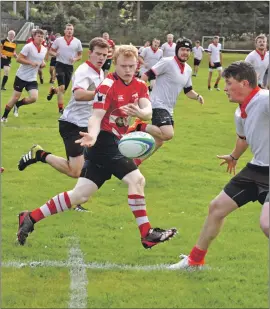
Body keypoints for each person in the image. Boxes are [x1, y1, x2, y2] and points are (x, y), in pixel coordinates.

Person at [16, 44, 177, 248]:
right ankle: (147, 233)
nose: (128, 70)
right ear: (116, 64)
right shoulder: (107, 85)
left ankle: (30, 217)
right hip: (103, 141)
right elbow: (96, 116)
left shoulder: (140, 85)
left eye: (131, 66)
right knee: (137, 180)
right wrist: (91, 136)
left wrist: (140, 113)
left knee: (80, 195)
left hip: (114, 141)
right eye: (123, 66)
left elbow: (147, 110)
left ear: (137, 65)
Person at [169, 61, 269, 270]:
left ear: (244, 83)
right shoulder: (240, 111)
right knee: (217, 208)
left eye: (229, 83)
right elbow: (244, 139)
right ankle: (194, 261)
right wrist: (234, 156)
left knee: (267, 224)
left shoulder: (264, 100)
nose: (224, 88)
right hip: (256, 168)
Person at [17, 37, 110, 212]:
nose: (101, 58)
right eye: (98, 54)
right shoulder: (84, 71)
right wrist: (100, 94)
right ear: (90, 53)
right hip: (72, 125)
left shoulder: (100, 71)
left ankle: (78, 201)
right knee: (75, 170)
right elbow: (79, 95)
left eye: (104, 55)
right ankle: (39, 154)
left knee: (93, 162)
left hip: (88, 125)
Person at [127, 38, 204, 166]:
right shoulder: (167, 62)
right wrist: (138, 92)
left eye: (187, 50)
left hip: (169, 108)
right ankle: (139, 126)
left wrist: (197, 96)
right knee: (168, 134)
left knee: (159, 140)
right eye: (182, 49)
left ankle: (135, 162)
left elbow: (188, 90)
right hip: (157, 103)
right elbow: (147, 75)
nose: (185, 52)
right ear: (177, 50)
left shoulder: (188, 70)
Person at [1, 29, 47, 122]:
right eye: (38, 36)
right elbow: (18, 59)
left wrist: (43, 64)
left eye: (42, 36)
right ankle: (4, 117)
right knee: (15, 97)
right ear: (34, 37)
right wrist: (30, 63)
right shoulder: (28, 47)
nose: (40, 38)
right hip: (21, 76)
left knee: (34, 98)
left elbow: (42, 61)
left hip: (32, 78)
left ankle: (18, 105)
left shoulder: (44, 49)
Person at [47, 24, 83, 114]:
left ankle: (53, 91)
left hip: (69, 67)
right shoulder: (58, 40)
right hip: (59, 65)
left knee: (63, 90)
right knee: (62, 87)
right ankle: (61, 109)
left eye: (71, 29)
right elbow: (50, 51)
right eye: (68, 29)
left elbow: (80, 55)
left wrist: (75, 59)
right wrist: (55, 54)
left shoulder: (77, 42)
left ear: (73, 31)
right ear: (65, 31)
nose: (69, 31)